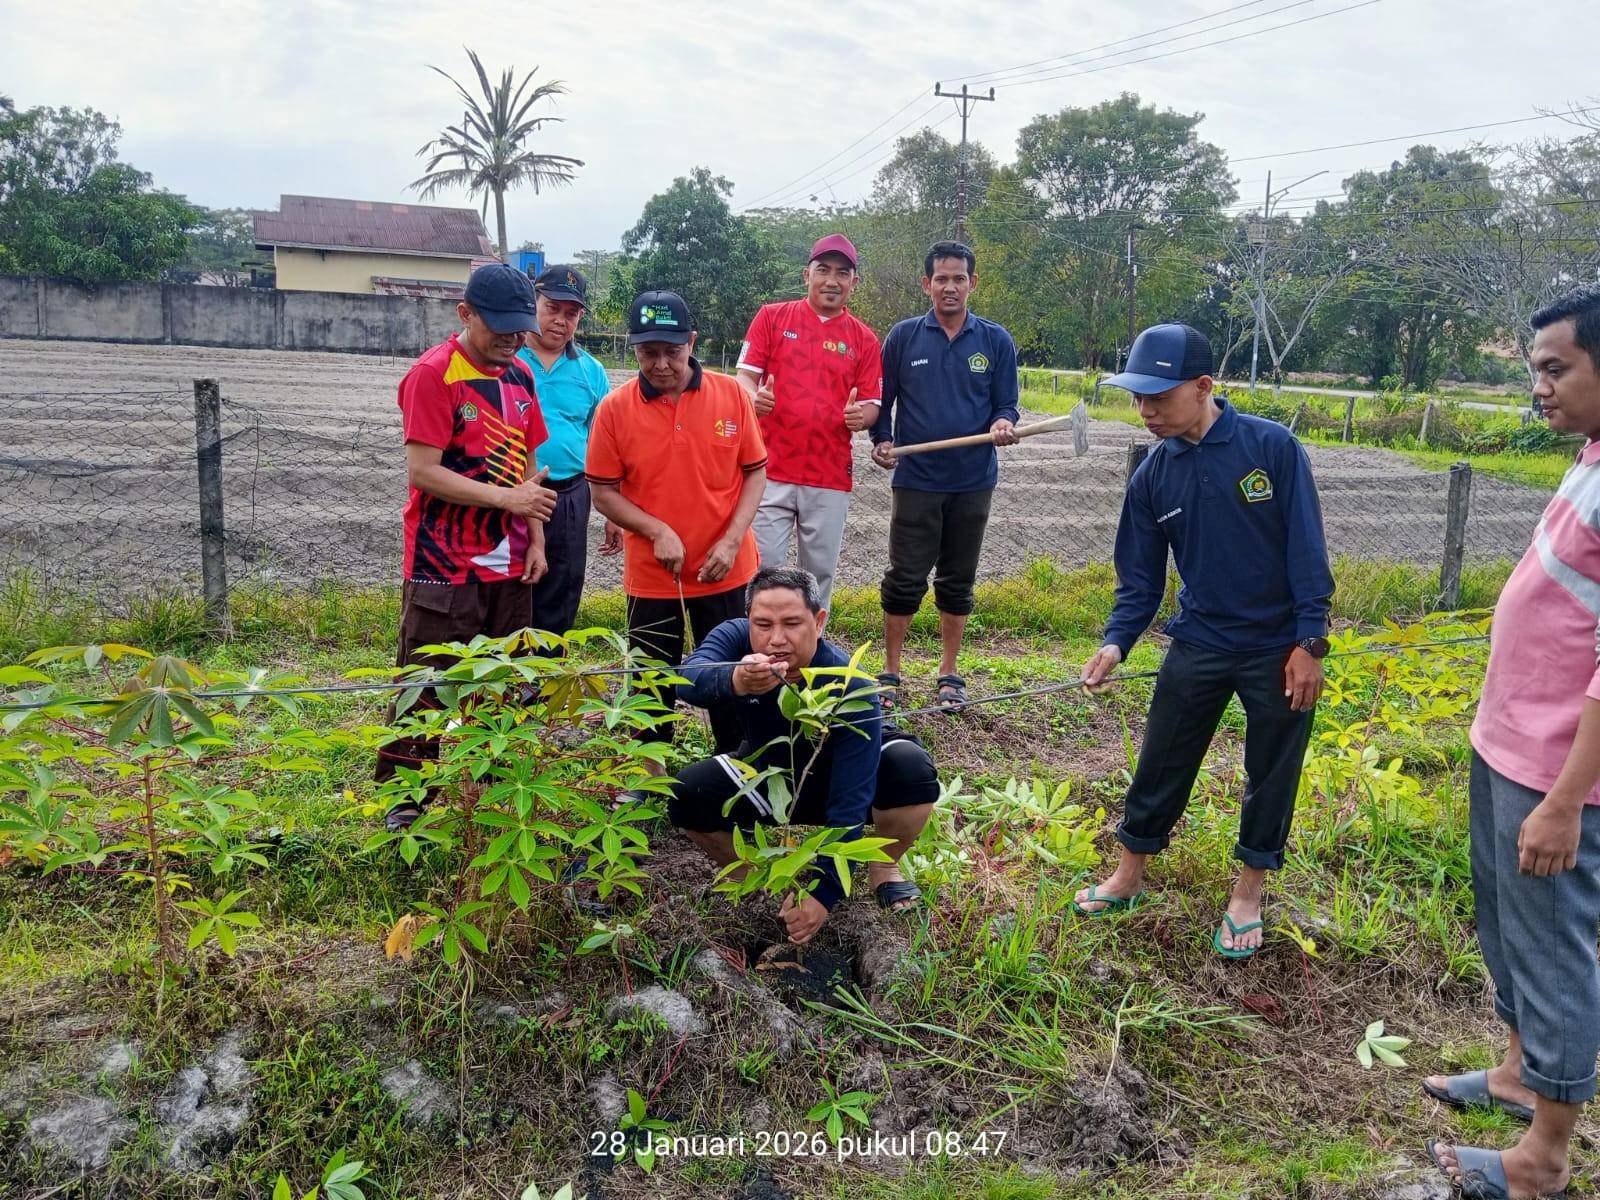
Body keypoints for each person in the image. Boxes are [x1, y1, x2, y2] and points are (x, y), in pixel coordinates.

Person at [1074, 323, 1334, 959]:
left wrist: (1310, 641)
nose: (1146, 411)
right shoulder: (1153, 478)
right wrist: (1116, 643)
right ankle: (1129, 873)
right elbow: (1139, 581)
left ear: (1203, 386)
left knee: (1272, 766)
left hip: (1277, 644)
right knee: (1162, 755)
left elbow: (1306, 547)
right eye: (1138, 397)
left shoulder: (1271, 448)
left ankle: (1248, 891)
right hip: (1200, 638)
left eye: (1159, 396)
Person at [1423, 284, 1600, 1200]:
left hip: (1561, 773)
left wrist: (1567, 800)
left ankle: (1544, 1159)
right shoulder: (1590, 456)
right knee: (1505, 925)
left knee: (1556, 945)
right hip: (1510, 746)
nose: (1539, 386)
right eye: (1536, 368)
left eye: (1554, 368)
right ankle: (1517, 1071)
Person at [376, 263, 557, 830]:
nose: (510, 339)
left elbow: (532, 466)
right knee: (424, 683)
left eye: (519, 328)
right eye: (499, 327)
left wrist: (536, 539)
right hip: (441, 561)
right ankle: (407, 796)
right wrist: (508, 504)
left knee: (501, 679)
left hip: (509, 563)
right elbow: (423, 472)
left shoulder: (521, 378)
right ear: (465, 314)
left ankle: (492, 782)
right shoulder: (434, 375)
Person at [671, 566, 938, 944]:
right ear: (748, 620)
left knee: (911, 770)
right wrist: (733, 678)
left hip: (844, 778)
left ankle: (884, 866)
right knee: (685, 792)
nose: (776, 639)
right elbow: (690, 675)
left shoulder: (850, 682)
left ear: (819, 621)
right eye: (763, 624)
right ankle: (749, 877)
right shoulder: (735, 639)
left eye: (792, 623)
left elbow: (851, 798)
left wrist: (823, 892)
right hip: (770, 771)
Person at [585, 290, 767, 759]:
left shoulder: (731, 395)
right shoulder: (614, 409)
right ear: (634, 348)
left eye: (672, 350)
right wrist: (656, 531)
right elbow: (603, 492)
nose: (661, 364)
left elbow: (754, 471)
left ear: (691, 341)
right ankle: (652, 778)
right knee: (652, 678)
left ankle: (736, 766)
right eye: (649, 352)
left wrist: (730, 541)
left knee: (732, 674)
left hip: (725, 567)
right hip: (653, 575)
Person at [869, 240, 1019, 710]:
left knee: (957, 578)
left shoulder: (995, 340)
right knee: (905, 576)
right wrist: (881, 440)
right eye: (941, 278)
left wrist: (1002, 423)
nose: (949, 287)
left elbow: (1005, 403)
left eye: (958, 278)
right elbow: (883, 402)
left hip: (973, 480)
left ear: (972, 283)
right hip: (916, 478)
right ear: (926, 284)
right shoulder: (903, 337)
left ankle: (949, 672)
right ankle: (891, 671)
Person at [737, 234, 882, 606]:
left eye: (842, 273)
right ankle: (756, 652)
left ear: (854, 282)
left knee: (819, 575)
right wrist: (757, 399)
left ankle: (810, 654)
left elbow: (871, 405)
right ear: (807, 274)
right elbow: (745, 379)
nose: (832, 280)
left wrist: (859, 417)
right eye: (823, 270)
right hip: (769, 469)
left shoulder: (864, 340)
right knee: (761, 568)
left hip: (829, 475)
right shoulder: (772, 317)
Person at [516, 264, 614, 638]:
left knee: (563, 584)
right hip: (511, 491)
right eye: (552, 308)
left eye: (571, 314)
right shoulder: (507, 359)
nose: (561, 321)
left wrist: (612, 510)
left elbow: (605, 442)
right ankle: (506, 674)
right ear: (533, 304)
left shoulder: (591, 371)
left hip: (571, 493)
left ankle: (548, 673)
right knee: (513, 582)